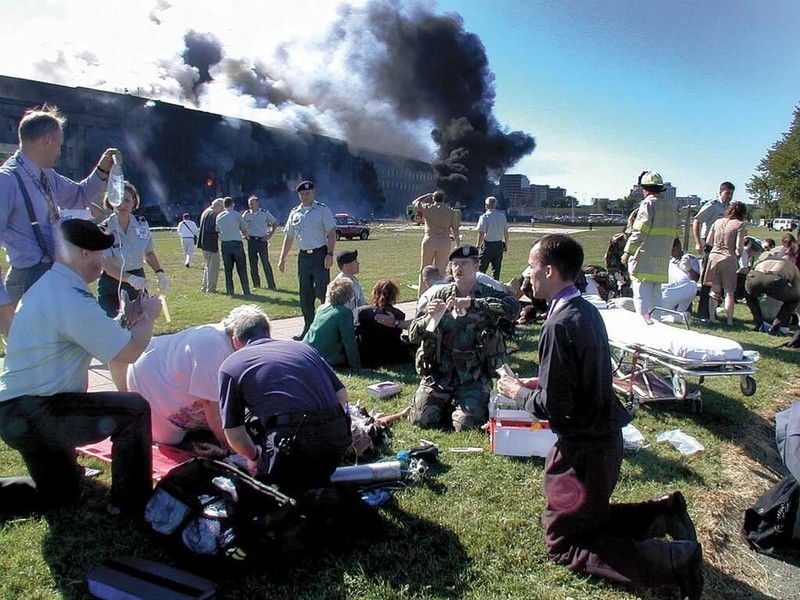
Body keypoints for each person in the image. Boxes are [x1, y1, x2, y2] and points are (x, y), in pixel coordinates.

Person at [497, 234, 703, 600]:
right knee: (586, 517)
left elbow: (556, 406)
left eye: (531, 267)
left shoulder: (559, 324)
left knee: (563, 539)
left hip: (583, 450)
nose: (527, 275)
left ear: (549, 270)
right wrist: (541, 381)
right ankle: (663, 514)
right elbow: (580, 376)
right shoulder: (584, 309)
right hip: (603, 441)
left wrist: (517, 391)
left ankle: (674, 561)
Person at [0, 218, 161, 516]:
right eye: (100, 253)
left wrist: (128, 321)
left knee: (61, 497)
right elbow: (128, 352)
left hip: (18, 412)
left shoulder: (50, 287)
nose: (103, 261)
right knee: (133, 409)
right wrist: (149, 317)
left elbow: (93, 337)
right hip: (39, 411)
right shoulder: (69, 298)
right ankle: (131, 504)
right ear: (84, 253)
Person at [0, 104, 119, 334]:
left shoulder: (47, 175)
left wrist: (102, 170)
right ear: (47, 141)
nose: (60, 152)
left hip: (52, 273)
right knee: (37, 355)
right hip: (28, 279)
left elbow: (79, 196)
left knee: (62, 348)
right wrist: (3, 304)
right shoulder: (7, 180)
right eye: (59, 145)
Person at [218, 314, 352, 494]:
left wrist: (256, 456)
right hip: (337, 438)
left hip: (291, 447)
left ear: (235, 341)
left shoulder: (230, 365)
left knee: (277, 494)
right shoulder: (303, 348)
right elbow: (342, 395)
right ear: (268, 331)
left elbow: (234, 433)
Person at [123, 305, 268, 449]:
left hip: (156, 371)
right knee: (174, 439)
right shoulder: (213, 348)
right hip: (149, 383)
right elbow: (213, 408)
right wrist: (234, 450)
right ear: (237, 340)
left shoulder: (226, 342)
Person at [408, 245, 518, 431]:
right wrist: (428, 317)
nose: (458, 268)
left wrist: (474, 303)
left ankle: (458, 408)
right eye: (455, 264)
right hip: (441, 375)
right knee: (421, 421)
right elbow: (412, 335)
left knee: (467, 425)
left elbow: (514, 309)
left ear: (476, 266)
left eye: (464, 264)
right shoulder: (439, 295)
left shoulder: (488, 293)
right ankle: (440, 405)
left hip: (473, 376)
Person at [98, 180, 169, 318]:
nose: (123, 205)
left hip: (138, 279)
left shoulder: (141, 224)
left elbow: (149, 252)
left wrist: (160, 273)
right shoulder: (104, 229)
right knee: (114, 328)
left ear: (134, 202)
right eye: (118, 200)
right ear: (111, 201)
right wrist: (130, 279)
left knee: (141, 324)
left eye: (127, 200)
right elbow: (107, 264)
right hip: (113, 283)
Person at [277, 181, 337, 339]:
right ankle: (308, 328)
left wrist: (330, 254)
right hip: (304, 257)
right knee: (305, 294)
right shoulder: (295, 213)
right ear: (299, 195)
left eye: (308, 193)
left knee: (322, 291)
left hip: (320, 255)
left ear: (313, 193)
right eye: (302, 194)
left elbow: (331, 233)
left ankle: (328, 327)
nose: (305, 196)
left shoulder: (322, 210)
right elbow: (289, 237)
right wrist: (282, 258)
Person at [622, 171, 679, 317]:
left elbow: (640, 232)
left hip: (644, 259)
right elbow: (676, 233)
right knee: (656, 298)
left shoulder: (648, 204)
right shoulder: (671, 207)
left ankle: (643, 328)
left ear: (645, 188)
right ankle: (657, 327)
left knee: (641, 297)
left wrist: (627, 252)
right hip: (662, 261)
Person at [692, 181, 735, 320]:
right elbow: (697, 221)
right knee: (708, 280)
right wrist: (698, 242)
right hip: (710, 246)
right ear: (720, 192)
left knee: (719, 281)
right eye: (727, 193)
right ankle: (703, 311)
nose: (729, 196)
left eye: (731, 194)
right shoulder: (713, 206)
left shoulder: (729, 208)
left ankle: (712, 310)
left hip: (722, 247)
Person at [704, 201, 747, 326]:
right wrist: (738, 255)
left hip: (714, 256)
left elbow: (709, 241)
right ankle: (729, 321)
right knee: (729, 291)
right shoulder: (740, 224)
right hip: (728, 257)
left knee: (714, 289)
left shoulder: (717, 222)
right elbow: (739, 247)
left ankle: (712, 318)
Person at [303, 278, 360, 369]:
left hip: (308, 352)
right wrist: (355, 365)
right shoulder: (344, 313)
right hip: (328, 358)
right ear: (348, 295)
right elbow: (349, 341)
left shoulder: (321, 309)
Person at [356, 279, 413, 368]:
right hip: (391, 355)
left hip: (368, 356)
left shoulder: (362, 312)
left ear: (375, 293)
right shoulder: (399, 314)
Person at [412, 191, 460, 293]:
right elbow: (455, 228)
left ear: (433, 199)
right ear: (443, 199)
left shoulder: (428, 208)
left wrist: (426, 195)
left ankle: (422, 294)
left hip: (430, 239)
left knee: (424, 268)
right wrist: (457, 243)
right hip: (444, 241)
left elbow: (415, 202)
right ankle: (438, 294)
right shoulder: (450, 211)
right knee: (441, 271)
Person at [744, 249, 800, 335]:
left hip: (754, 276)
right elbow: (797, 290)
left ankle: (759, 323)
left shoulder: (768, 259)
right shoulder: (793, 266)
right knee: (794, 299)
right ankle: (775, 327)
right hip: (774, 279)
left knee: (750, 296)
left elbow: (753, 269)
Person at [242, 195, 278, 290]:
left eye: (253, 203)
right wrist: (245, 235)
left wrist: (269, 235)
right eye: (249, 203)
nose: (251, 205)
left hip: (262, 241)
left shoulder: (264, 213)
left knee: (265, 263)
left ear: (257, 203)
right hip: (251, 241)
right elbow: (241, 225)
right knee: (253, 264)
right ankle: (256, 285)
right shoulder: (246, 214)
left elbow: (275, 222)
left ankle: (271, 285)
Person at [216, 196, 250, 296]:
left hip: (225, 244)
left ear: (224, 205)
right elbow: (244, 228)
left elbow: (217, 230)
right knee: (241, 268)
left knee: (228, 269)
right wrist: (246, 236)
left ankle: (230, 291)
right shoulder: (237, 215)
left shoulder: (219, 216)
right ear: (232, 204)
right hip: (236, 242)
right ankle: (246, 290)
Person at [659, 238, 701, 315]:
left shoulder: (691, 259)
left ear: (679, 247)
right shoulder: (669, 260)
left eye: (673, 251)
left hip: (685, 288)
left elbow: (695, 279)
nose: (671, 253)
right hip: (670, 288)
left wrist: (688, 267)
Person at [476, 196, 509, 280]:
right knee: (496, 269)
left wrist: (478, 246)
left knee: (481, 269)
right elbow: (506, 233)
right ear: (496, 205)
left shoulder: (484, 217)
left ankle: (479, 286)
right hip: (499, 244)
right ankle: (495, 288)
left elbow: (481, 233)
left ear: (486, 205)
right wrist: (506, 245)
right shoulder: (502, 217)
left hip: (488, 245)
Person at [197, 197, 224, 293]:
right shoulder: (213, 214)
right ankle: (211, 288)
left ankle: (205, 287)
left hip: (204, 243)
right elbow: (211, 228)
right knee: (213, 267)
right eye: (222, 208)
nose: (222, 211)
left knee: (208, 266)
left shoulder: (206, 211)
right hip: (211, 244)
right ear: (218, 206)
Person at [333, 249, 367, 322]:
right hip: (344, 324)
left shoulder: (354, 280)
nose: (358, 263)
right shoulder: (339, 285)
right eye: (355, 261)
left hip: (354, 322)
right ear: (346, 266)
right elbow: (339, 312)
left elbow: (363, 304)